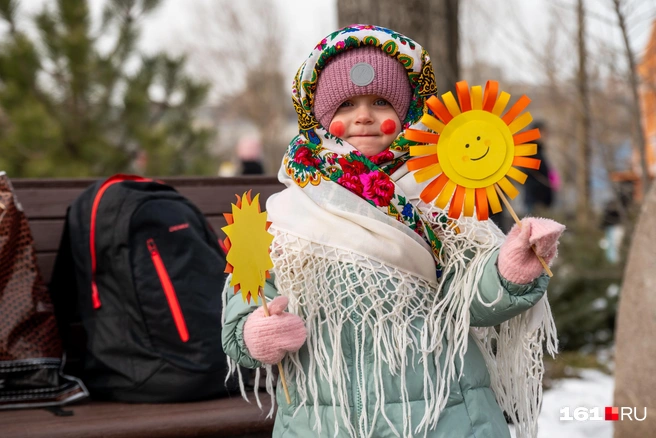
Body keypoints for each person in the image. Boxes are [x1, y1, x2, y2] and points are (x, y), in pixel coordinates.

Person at [222, 25, 565, 438]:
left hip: (445, 414)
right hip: (323, 422)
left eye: (380, 101)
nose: (362, 116)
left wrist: (508, 272)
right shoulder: (284, 216)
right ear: (318, 117)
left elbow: (472, 303)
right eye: (345, 104)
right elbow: (247, 302)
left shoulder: (440, 197)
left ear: (408, 114)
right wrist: (255, 333)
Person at [523, 120, 559, 214]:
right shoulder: (529, 149)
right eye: (544, 132)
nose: (546, 136)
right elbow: (528, 172)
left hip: (542, 198)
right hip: (535, 198)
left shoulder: (539, 150)